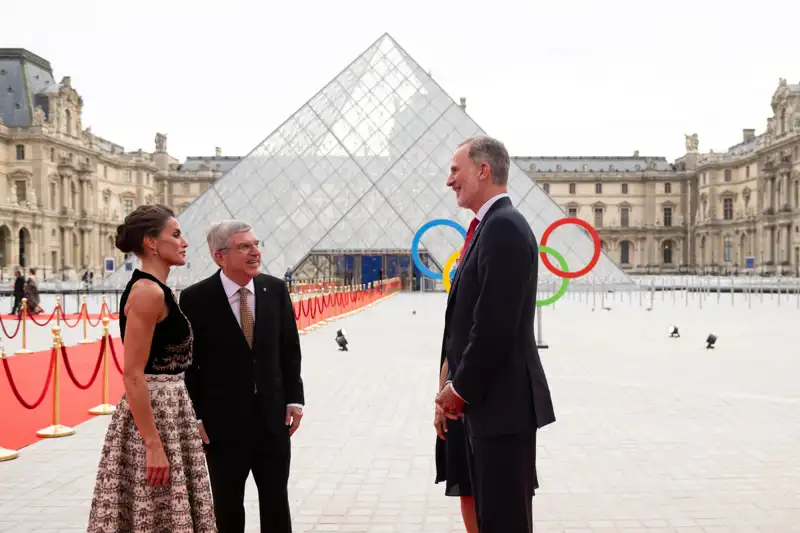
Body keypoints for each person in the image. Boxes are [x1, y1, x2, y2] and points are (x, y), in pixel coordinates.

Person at [435, 136, 556, 533]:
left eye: (456, 170)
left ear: (482, 170)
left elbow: (495, 326)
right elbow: (466, 319)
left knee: (504, 520)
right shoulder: (489, 226)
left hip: (500, 405)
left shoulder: (502, 227)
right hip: (488, 403)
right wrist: (449, 384)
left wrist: (460, 389)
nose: (449, 180)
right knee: (489, 515)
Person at [86, 204, 217, 533]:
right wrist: (153, 444)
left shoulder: (160, 290)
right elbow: (132, 374)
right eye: (175, 234)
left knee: (164, 509)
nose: (185, 241)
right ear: (151, 243)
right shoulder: (147, 292)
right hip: (155, 415)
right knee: (156, 509)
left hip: (172, 411)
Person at [180, 220, 305, 533]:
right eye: (245, 246)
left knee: (277, 502)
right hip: (222, 424)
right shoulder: (196, 298)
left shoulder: (274, 289)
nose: (255, 252)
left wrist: (294, 398)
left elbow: (289, 349)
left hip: (272, 419)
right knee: (226, 506)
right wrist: (195, 417)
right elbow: (190, 365)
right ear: (220, 256)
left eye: (256, 244)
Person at [434, 356, 478, 533]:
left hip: (496, 400)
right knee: (466, 486)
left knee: (504, 492)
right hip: (455, 395)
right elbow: (449, 351)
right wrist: (440, 401)